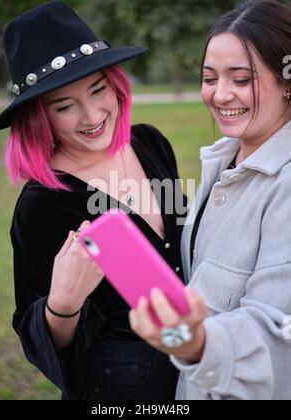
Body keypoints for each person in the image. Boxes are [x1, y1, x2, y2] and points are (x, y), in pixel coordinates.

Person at [0, 1, 187, 400]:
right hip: (126, 386)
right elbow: (47, 342)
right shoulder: (43, 205)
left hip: (199, 360)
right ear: (39, 117)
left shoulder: (149, 143)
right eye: (64, 106)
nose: (92, 115)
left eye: (98, 89)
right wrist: (63, 302)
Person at [129, 0, 291, 400]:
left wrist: (194, 343)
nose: (220, 95)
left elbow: (276, 333)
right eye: (209, 77)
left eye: (240, 79)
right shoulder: (223, 159)